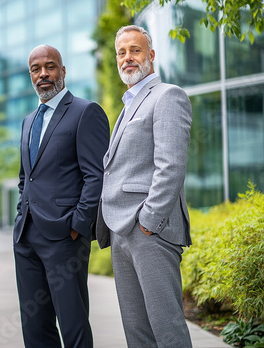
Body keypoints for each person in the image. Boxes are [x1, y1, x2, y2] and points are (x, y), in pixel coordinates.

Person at [95, 25, 193, 347]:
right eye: (121, 53)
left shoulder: (167, 96)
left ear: (151, 56)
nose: (127, 59)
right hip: (122, 231)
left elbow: (171, 165)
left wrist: (148, 222)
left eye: (135, 50)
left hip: (150, 231)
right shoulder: (126, 107)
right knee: (137, 333)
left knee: (167, 330)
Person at [14, 45, 110, 347]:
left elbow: (96, 176)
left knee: (73, 323)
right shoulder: (28, 121)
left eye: (50, 66)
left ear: (63, 71)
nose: (43, 74)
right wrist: (21, 212)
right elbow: (24, 177)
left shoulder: (85, 112)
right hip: (26, 236)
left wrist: (78, 225)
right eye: (36, 69)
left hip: (65, 238)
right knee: (35, 327)